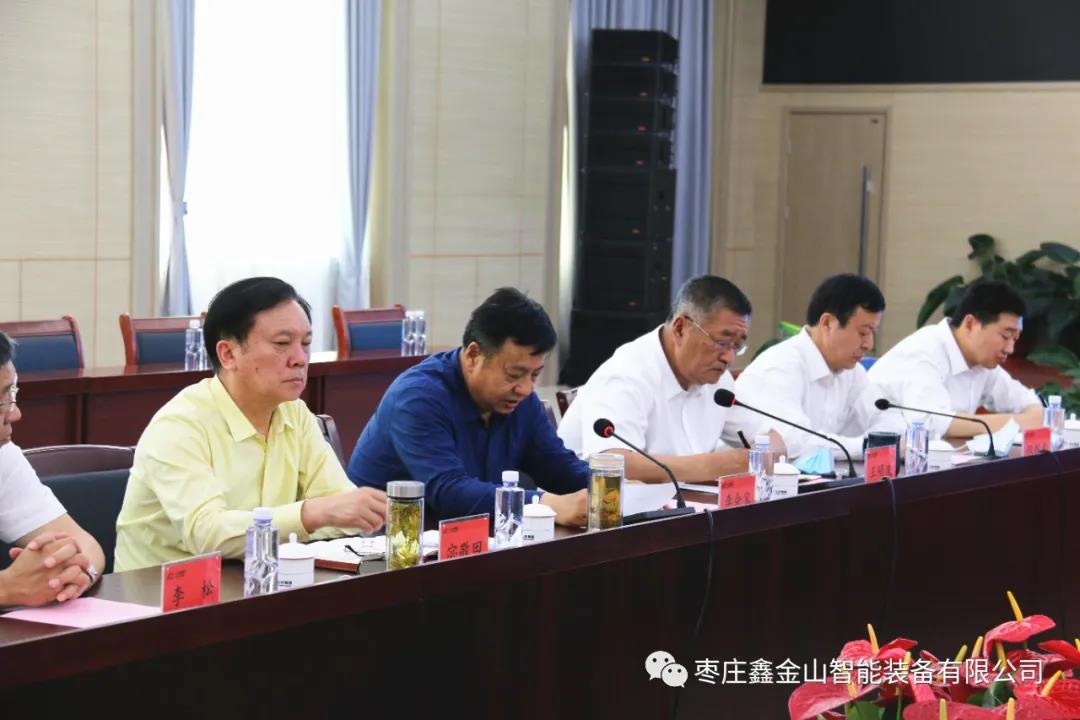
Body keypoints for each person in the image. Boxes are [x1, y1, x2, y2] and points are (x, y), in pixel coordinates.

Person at [114, 277, 387, 571]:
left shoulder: (294, 414)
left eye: (306, 343)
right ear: (228, 354)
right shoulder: (179, 425)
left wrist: (335, 513)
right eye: (282, 344)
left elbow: (342, 512)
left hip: (255, 579)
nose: (300, 358)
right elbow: (207, 535)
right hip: (161, 591)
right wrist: (310, 515)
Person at [347, 288, 588, 526]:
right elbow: (449, 493)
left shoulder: (521, 402)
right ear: (473, 355)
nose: (525, 388)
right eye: (514, 374)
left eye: (535, 375)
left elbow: (558, 467)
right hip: (382, 540)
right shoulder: (417, 398)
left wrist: (602, 485)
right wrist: (544, 505)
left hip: (468, 539)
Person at [558, 275, 784, 483]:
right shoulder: (627, 373)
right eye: (721, 342)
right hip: (594, 507)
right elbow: (612, 463)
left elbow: (772, 439)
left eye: (737, 346)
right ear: (680, 328)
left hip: (681, 507)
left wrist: (760, 457)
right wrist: (717, 465)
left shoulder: (719, 384)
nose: (729, 358)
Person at [733, 273, 903, 460]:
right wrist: (867, 447)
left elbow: (888, 420)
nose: (869, 344)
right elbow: (793, 442)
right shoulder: (779, 367)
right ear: (828, 323)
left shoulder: (852, 372)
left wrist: (881, 443)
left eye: (873, 333)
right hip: (740, 475)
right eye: (863, 333)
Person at [0, 331, 105, 606]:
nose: (14, 414)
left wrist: (77, 573)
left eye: (11, 394)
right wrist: (7, 588)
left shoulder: (3, 458)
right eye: (1, 402)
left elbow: (84, 544)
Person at [868, 281, 1043, 437]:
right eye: (1005, 336)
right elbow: (932, 424)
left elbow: (1029, 404)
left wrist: (1027, 418)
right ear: (970, 324)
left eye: (1015, 339)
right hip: (872, 455)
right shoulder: (924, 351)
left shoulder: (982, 362)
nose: (1010, 348)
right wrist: (1019, 422)